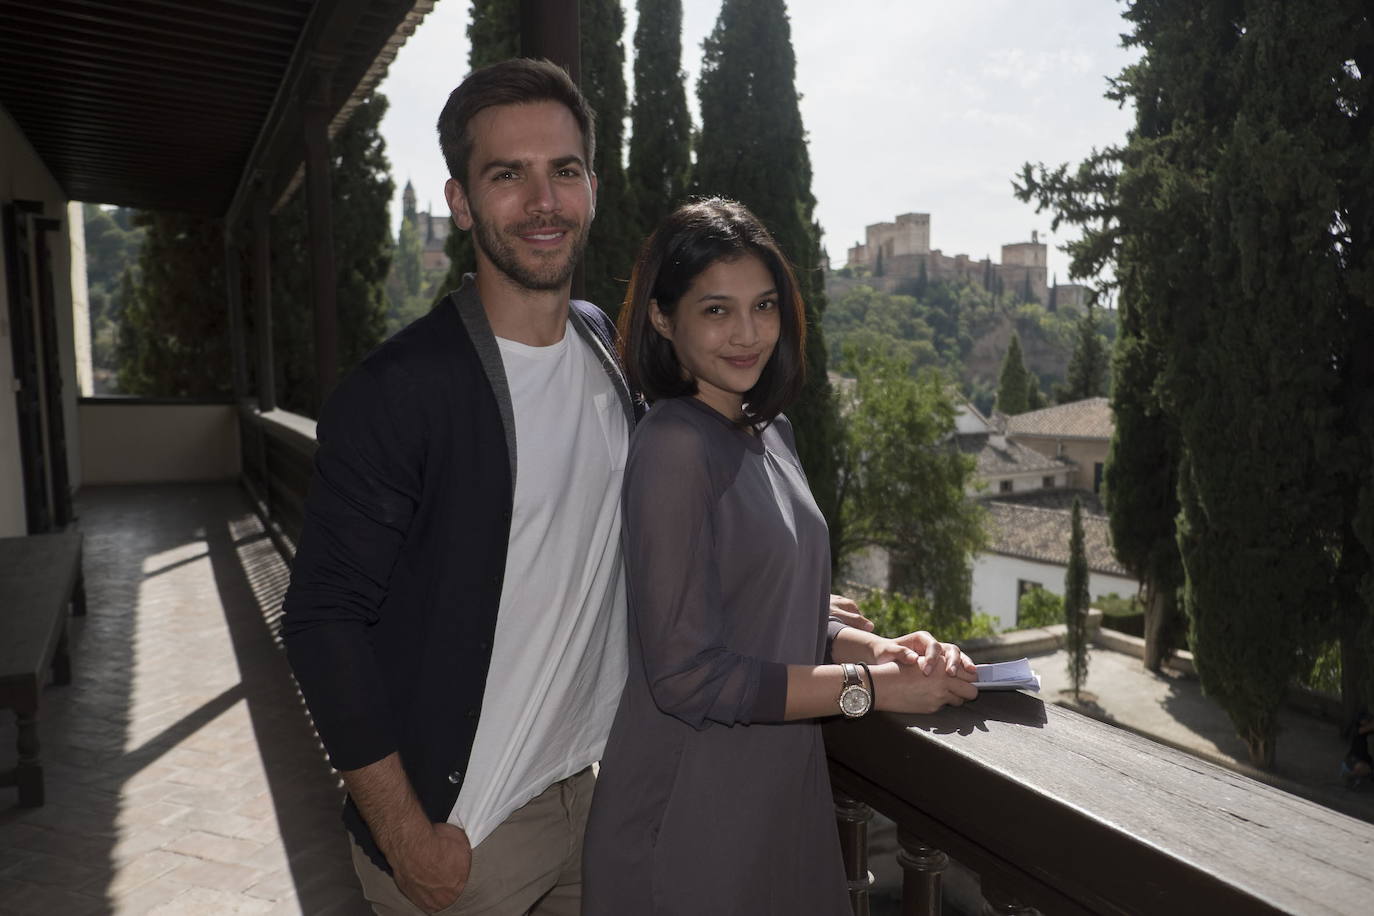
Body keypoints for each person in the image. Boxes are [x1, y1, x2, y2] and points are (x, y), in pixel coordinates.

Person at [280, 58, 633, 915]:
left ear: (591, 186)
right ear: (463, 201)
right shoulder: (402, 391)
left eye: (565, 171)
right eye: (508, 176)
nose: (543, 202)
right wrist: (409, 841)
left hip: (595, 801)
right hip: (467, 846)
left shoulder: (602, 348)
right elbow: (322, 620)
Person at [582, 198, 981, 914]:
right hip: (687, 827)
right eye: (716, 311)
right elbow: (686, 675)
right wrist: (872, 687)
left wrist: (887, 649)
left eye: (763, 306)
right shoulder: (673, 446)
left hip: (776, 806)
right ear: (663, 319)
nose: (747, 334)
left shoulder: (773, 434)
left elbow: (772, 611)